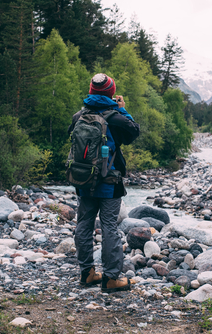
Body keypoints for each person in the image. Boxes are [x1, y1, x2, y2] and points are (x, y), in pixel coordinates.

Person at [67, 73, 140, 293]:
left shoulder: (78, 116)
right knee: (109, 227)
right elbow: (134, 131)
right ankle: (110, 278)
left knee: (84, 224)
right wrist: (122, 109)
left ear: (91, 91)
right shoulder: (116, 118)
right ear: (111, 92)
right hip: (109, 182)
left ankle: (87, 273)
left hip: (83, 179)